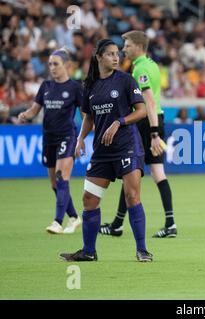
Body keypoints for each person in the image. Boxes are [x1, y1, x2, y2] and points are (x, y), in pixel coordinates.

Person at [59, 39, 152, 262]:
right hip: (102, 151)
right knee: (89, 199)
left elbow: (142, 111)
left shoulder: (126, 80)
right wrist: (80, 139)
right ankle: (89, 252)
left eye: (116, 53)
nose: (115, 57)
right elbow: (89, 117)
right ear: (98, 58)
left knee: (131, 196)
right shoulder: (89, 85)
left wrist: (119, 121)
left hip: (127, 146)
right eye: (110, 54)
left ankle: (142, 250)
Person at [98, 30, 177, 238]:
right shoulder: (151, 65)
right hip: (156, 120)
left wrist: (152, 133)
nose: (123, 50)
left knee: (129, 173)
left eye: (127, 45)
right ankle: (170, 223)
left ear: (139, 47)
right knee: (157, 173)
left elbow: (148, 101)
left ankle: (117, 224)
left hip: (146, 124)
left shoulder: (140, 69)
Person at [18, 48, 82, 234]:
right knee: (55, 183)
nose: (52, 68)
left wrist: (82, 138)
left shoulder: (75, 88)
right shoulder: (45, 86)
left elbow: (86, 114)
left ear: (67, 65)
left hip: (67, 137)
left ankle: (57, 222)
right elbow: (35, 110)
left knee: (62, 177)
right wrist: (24, 115)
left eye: (56, 64)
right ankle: (74, 217)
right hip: (48, 138)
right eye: (50, 65)